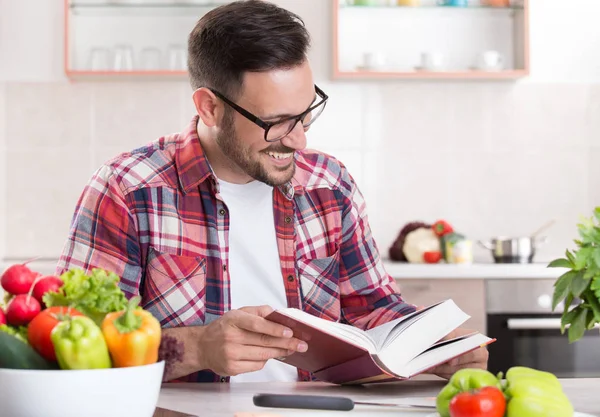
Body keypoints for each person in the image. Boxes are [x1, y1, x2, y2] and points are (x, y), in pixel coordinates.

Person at [56, 0, 488, 383]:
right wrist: (198, 348)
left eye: (305, 115)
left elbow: (371, 308)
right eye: (276, 122)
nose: (298, 140)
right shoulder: (128, 190)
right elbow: (74, 351)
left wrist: (432, 344)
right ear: (209, 107)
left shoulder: (329, 184)